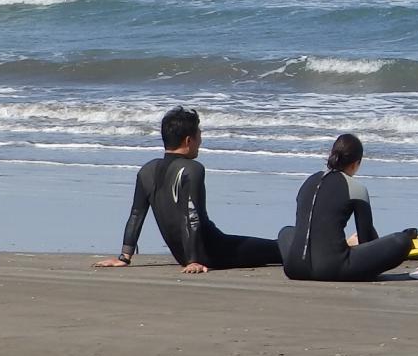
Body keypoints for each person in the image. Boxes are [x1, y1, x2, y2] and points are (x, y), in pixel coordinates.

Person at [93, 106, 284, 273]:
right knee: (280, 248)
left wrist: (124, 257)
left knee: (277, 247)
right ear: (188, 141)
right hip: (214, 251)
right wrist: (194, 260)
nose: (200, 140)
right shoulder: (192, 169)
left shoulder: (147, 171)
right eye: (199, 135)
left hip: (183, 255)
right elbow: (192, 215)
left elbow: (136, 215)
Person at [279, 133, 418, 282]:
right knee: (401, 241)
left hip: (294, 268)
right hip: (332, 269)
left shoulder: (308, 182)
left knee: (286, 232)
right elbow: (367, 240)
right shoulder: (356, 188)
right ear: (355, 163)